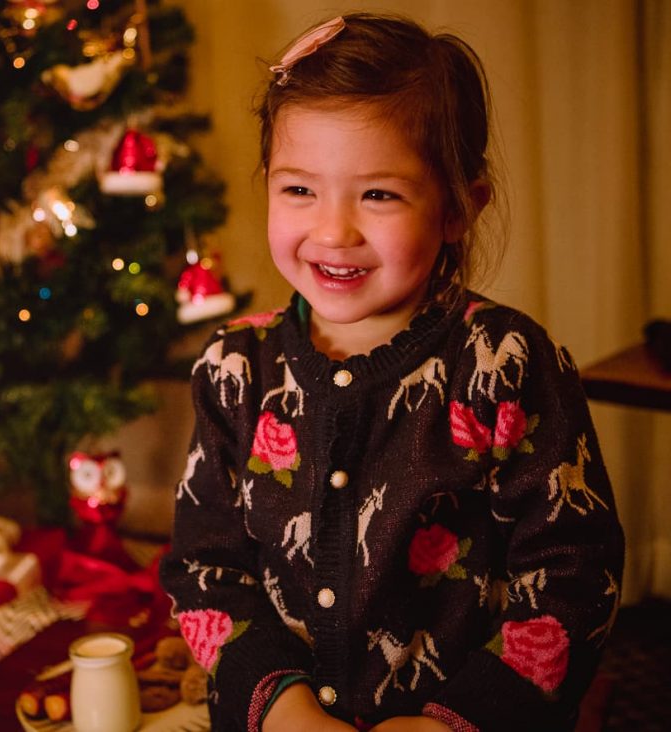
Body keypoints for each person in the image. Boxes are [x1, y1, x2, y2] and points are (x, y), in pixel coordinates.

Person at [158, 13, 624, 732]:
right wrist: (281, 708)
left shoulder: (509, 364)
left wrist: (449, 722)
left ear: (459, 208)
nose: (334, 230)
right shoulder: (233, 368)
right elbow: (206, 570)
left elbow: (574, 577)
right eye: (299, 190)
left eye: (378, 194)